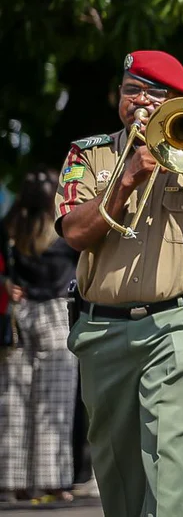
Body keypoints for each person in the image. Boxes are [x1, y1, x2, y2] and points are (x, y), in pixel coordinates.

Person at [55, 50, 183, 517]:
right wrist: (125, 182)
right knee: (116, 475)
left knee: (167, 466)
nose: (139, 102)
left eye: (153, 94)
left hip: (176, 325)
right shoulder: (89, 153)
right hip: (103, 330)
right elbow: (75, 233)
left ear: (178, 102)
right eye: (130, 89)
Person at [0, 169, 80, 506]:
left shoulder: (11, 227)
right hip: (57, 314)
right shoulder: (63, 228)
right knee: (55, 403)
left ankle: (15, 480)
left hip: (21, 315)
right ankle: (52, 481)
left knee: (13, 402)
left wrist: (6, 284)